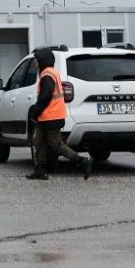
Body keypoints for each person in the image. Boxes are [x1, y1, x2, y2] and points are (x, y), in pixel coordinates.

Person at [27, 46, 91, 182]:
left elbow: (45, 97)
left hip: (51, 116)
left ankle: (82, 161)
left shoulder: (47, 75)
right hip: (47, 117)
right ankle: (40, 170)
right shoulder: (50, 72)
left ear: (43, 60)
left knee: (55, 144)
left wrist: (35, 111)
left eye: (37, 60)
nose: (35, 63)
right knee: (38, 141)